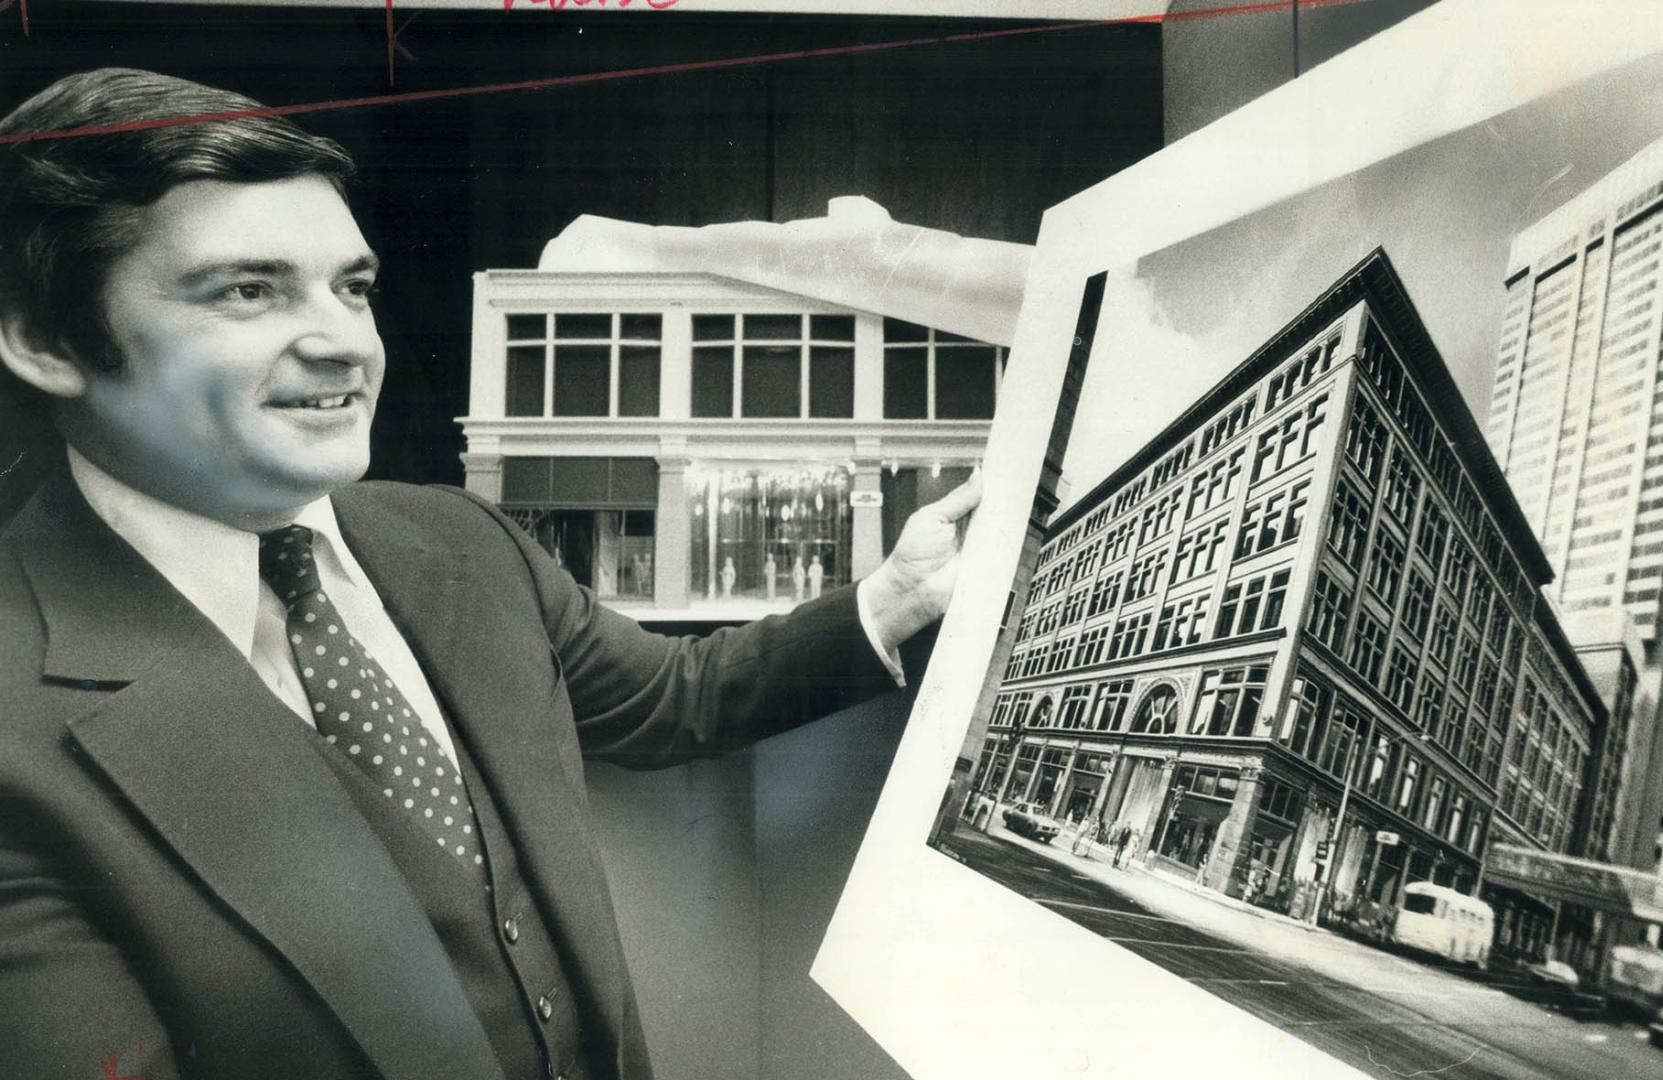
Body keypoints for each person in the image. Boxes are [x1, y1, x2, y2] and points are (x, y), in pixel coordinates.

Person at [0, 69, 981, 1080]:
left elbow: (671, 698)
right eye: (248, 290)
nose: (344, 343)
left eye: (353, 287)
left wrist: (900, 594)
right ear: (47, 340)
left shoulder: (461, 543)